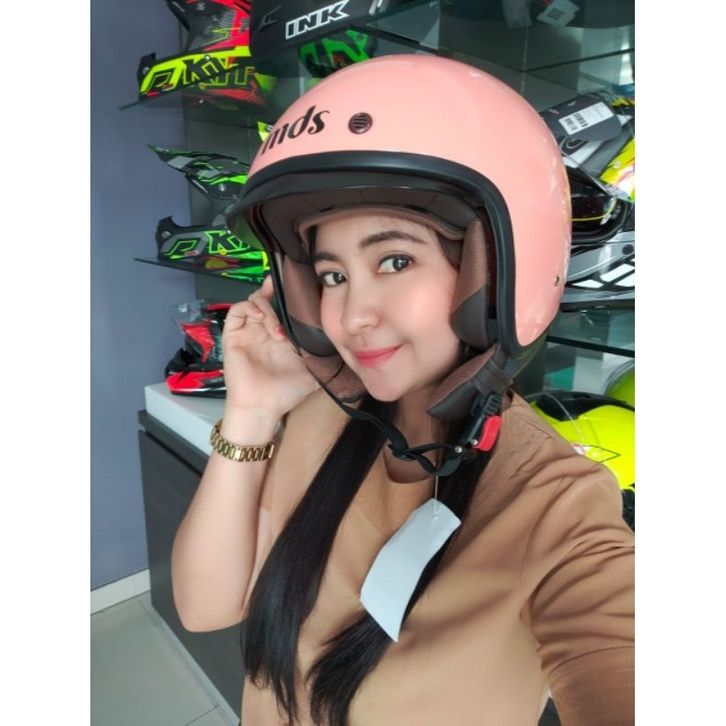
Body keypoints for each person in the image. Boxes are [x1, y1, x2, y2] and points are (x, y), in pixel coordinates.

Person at [170, 54, 634, 726]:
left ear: (493, 273)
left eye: (394, 260)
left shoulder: (557, 504)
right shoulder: (317, 417)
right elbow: (204, 607)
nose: (352, 316)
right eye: (331, 276)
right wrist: (251, 411)